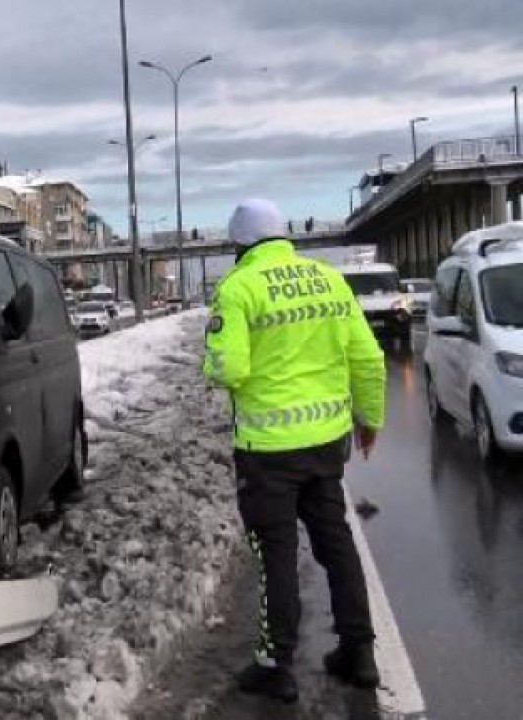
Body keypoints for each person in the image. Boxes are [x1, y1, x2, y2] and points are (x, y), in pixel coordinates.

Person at [204, 199, 386, 703]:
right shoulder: (328, 280)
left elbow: (229, 368)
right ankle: (359, 651)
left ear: (240, 243)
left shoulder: (238, 287)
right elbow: (368, 358)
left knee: (276, 553)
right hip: (326, 444)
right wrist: (369, 418)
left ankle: (275, 664)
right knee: (336, 543)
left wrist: (211, 357)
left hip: (267, 452)